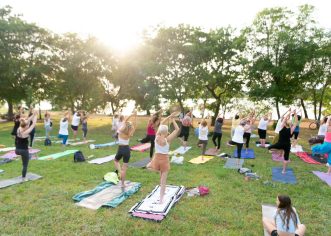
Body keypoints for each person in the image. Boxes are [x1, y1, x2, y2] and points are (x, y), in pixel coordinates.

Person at [147, 112, 180, 204]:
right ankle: (161, 200)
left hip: (156, 159)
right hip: (164, 160)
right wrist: (173, 119)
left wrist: (169, 116)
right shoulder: (168, 139)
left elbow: (161, 124)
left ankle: (153, 168)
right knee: (163, 181)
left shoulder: (156, 137)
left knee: (154, 170)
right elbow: (177, 129)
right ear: (166, 132)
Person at [114, 111, 137, 188]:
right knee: (124, 168)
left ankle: (120, 172)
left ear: (125, 125)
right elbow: (135, 125)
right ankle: (123, 184)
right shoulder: (129, 133)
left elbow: (125, 120)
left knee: (116, 160)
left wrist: (132, 115)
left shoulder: (120, 130)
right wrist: (135, 117)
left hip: (120, 148)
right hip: (126, 149)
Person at [15, 110, 38, 181]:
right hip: (23, 151)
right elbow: (33, 124)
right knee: (25, 165)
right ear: (25, 126)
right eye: (27, 125)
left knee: (23, 162)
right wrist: (36, 115)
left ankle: (23, 176)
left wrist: (33, 114)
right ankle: (24, 178)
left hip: (17, 150)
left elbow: (27, 121)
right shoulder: (25, 132)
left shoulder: (19, 128)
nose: (28, 126)